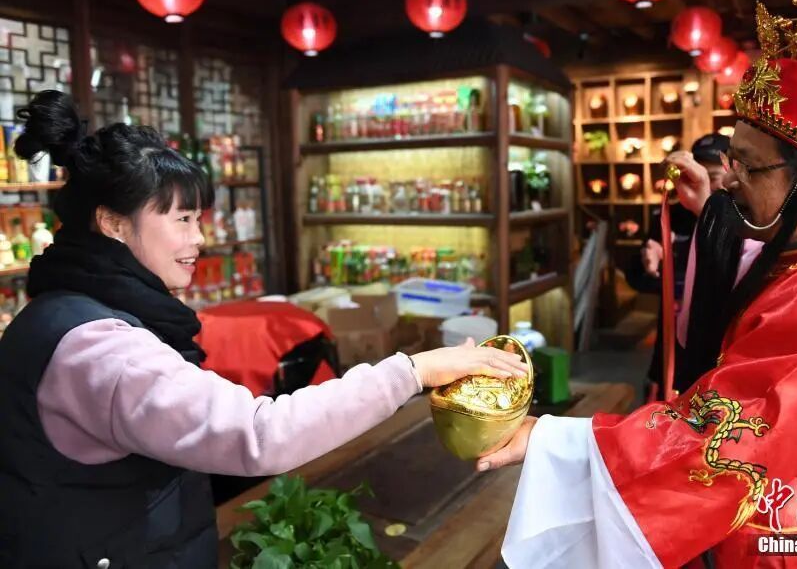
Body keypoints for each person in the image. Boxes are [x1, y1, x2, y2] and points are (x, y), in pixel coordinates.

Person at [478, 0, 797, 567]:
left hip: (777, 532)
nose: (731, 178)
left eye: (749, 166)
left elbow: (723, 438)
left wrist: (556, 440)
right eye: (731, 160)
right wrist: (706, 209)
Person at [0, 91, 527, 568]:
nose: (199, 238)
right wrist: (413, 371)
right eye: (182, 220)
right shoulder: (101, 349)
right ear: (113, 223)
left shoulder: (66, 308)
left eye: (199, 220)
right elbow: (259, 434)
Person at [627, 133, 729, 397]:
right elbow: (636, 278)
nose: (703, 183)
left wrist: (704, 210)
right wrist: (651, 267)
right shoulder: (669, 215)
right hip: (670, 341)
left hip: (718, 345)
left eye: (713, 177)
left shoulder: (739, 220)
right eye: (696, 175)